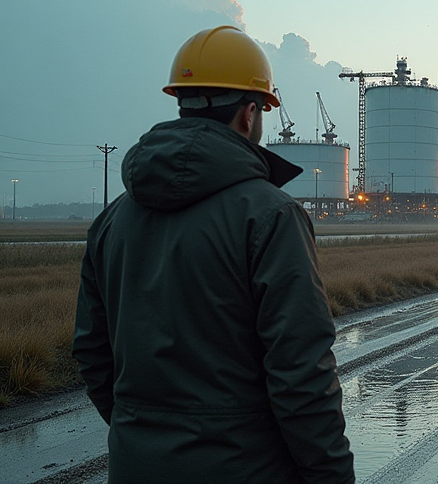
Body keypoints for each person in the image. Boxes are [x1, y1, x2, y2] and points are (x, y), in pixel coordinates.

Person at [72, 26, 355, 484]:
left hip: (136, 466)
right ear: (249, 113)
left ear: (181, 102)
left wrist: (145, 431)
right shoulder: (272, 216)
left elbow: (91, 351)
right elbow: (301, 372)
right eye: (262, 109)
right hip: (246, 467)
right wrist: (331, 476)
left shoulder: (111, 221)